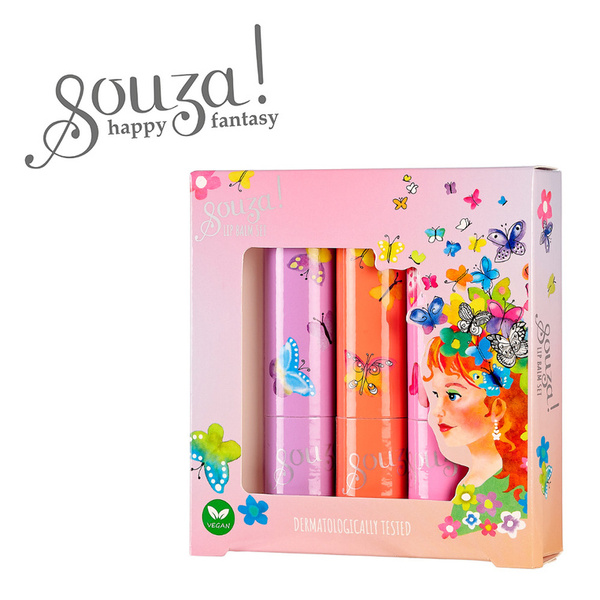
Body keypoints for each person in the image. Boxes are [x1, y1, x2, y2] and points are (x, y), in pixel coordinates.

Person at [422, 327, 528, 538]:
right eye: (436, 394)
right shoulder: (477, 479)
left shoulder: (500, 486)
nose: (436, 410)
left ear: (497, 408)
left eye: (453, 395)